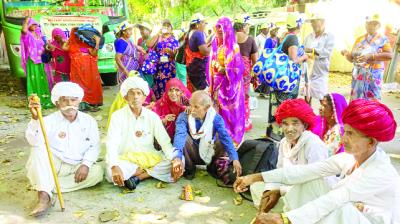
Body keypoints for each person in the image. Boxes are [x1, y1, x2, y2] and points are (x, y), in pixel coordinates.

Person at [235, 99, 399, 224]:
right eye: (345, 132)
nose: (343, 139)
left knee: (340, 209)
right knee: (305, 180)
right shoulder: (350, 158)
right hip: (348, 208)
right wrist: (254, 178)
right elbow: (305, 172)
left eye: (350, 134)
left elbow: (336, 198)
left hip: (367, 219)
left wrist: (284, 219)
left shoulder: (380, 172)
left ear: (370, 142)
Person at [25, 82, 103, 217]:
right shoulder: (48, 120)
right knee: (38, 148)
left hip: (76, 166)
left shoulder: (89, 121)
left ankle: (44, 185)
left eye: (73, 100)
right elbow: (34, 141)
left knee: (97, 173)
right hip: (53, 164)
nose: (69, 103)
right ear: (57, 103)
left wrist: (85, 165)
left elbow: (94, 146)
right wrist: (35, 119)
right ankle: (44, 197)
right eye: (64, 100)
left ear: (79, 101)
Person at [247, 99, 329, 209]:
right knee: (257, 188)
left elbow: (313, 181)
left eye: (295, 123)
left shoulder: (314, 145)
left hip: (310, 194)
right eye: (285, 123)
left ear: (304, 124)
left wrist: (280, 191)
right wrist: (270, 190)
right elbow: (279, 171)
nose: (289, 129)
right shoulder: (284, 143)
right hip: (288, 188)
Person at [106, 77, 183, 190]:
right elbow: (112, 143)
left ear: (144, 97)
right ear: (125, 97)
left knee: (180, 161)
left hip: (150, 157)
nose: (136, 97)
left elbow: (165, 142)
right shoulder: (117, 116)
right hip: (127, 160)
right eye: (132, 93)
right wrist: (114, 166)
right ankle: (145, 173)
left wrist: (175, 160)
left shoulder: (152, 116)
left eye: (139, 93)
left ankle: (140, 176)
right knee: (109, 172)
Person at [172, 91, 242, 180]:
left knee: (221, 138)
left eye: (196, 107)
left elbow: (225, 138)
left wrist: (234, 158)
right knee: (184, 138)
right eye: (191, 105)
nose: (192, 110)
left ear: (207, 108)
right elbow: (179, 136)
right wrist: (177, 158)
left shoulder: (216, 118)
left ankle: (213, 168)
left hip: (209, 152)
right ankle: (189, 170)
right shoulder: (184, 116)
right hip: (192, 154)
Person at [266, 13, 308, 141]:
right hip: (287, 83)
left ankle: (273, 134)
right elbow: (293, 59)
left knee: (277, 106)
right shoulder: (293, 38)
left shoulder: (286, 37)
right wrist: (305, 57)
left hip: (280, 81)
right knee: (284, 107)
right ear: (298, 24)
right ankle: (280, 137)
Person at [208, 17, 245, 146]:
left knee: (229, 114)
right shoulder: (214, 44)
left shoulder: (233, 47)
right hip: (216, 85)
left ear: (228, 29)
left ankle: (230, 139)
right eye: (217, 27)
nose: (219, 30)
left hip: (229, 87)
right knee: (217, 113)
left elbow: (238, 69)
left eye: (221, 27)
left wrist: (224, 69)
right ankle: (218, 140)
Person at [341, 14, 393, 101]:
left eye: (374, 24)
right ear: (365, 24)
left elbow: (389, 55)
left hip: (373, 75)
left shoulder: (383, 39)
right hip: (358, 75)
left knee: (371, 101)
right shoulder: (359, 39)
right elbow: (352, 59)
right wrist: (346, 53)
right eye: (368, 23)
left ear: (379, 25)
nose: (371, 26)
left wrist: (371, 56)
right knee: (357, 100)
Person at [65, 27, 103, 112]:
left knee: (90, 85)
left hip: (88, 71)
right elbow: (64, 47)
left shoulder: (87, 44)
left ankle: (91, 104)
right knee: (79, 87)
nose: (78, 37)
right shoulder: (72, 45)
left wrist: (97, 42)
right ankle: (82, 105)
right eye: (76, 35)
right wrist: (69, 39)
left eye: (79, 35)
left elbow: (94, 54)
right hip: (77, 72)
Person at [20, 17, 53, 109]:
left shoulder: (39, 34)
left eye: (35, 24)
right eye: (32, 24)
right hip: (32, 61)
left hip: (41, 61)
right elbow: (24, 30)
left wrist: (47, 48)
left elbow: (44, 45)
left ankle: (44, 101)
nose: (34, 26)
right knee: (34, 80)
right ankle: (34, 103)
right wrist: (26, 21)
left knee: (42, 80)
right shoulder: (27, 35)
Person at [303, 13, 335, 104]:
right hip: (308, 71)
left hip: (321, 72)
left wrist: (312, 50)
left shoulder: (329, 36)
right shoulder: (308, 37)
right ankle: (308, 116)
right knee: (307, 96)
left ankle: (324, 118)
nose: (312, 24)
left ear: (322, 22)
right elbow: (303, 50)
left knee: (323, 98)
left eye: (315, 21)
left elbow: (327, 52)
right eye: (312, 22)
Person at [234, 17, 258, 131]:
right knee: (244, 97)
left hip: (232, 71)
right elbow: (255, 60)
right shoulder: (250, 40)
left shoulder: (230, 39)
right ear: (243, 28)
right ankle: (244, 123)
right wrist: (255, 75)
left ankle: (233, 122)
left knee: (233, 96)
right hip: (245, 72)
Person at [147, 19, 179, 99]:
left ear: (171, 28)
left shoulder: (175, 40)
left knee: (170, 87)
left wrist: (170, 52)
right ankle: (160, 106)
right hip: (159, 68)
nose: (166, 28)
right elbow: (148, 45)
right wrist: (158, 33)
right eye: (165, 26)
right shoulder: (158, 37)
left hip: (170, 68)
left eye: (168, 26)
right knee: (159, 87)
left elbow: (176, 56)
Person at [185, 13, 211, 91]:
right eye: (203, 22)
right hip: (198, 71)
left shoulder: (191, 32)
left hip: (193, 68)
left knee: (196, 93)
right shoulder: (197, 33)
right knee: (203, 94)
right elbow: (205, 52)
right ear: (197, 24)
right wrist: (214, 47)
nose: (205, 25)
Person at [136, 21, 154, 88]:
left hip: (149, 68)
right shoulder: (140, 40)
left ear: (149, 30)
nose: (141, 31)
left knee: (150, 86)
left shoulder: (153, 39)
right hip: (140, 68)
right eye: (140, 29)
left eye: (143, 29)